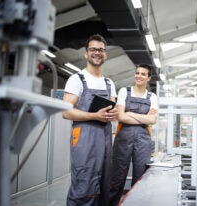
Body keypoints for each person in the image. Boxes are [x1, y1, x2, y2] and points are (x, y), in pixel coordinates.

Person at [62, 34, 118, 206]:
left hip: (105, 138)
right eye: (93, 49)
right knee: (84, 185)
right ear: (86, 54)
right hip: (84, 138)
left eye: (101, 50)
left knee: (104, 184)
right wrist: (94, 116)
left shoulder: (110, 83)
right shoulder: (76, 79)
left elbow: (113, 110)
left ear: (105, 55)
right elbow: (65, 112)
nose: (97, 53)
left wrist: (113, 114)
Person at [109, 63, 158, 206]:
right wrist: (143, 118)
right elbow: (121, 117)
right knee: (117, 177)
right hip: (123, 137)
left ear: (149, 78)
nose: (139, 76)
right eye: (137, 73)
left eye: (143, 74)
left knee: (140, 177)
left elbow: (153, 120)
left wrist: (130, 113)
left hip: (143, 140)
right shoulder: (125, 91)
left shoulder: (152, 96)